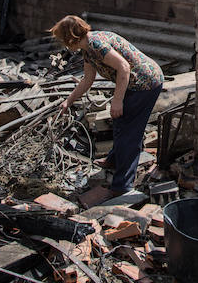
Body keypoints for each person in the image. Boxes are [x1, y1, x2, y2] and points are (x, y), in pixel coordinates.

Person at [51, 15, 163, 196]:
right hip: (133, 83)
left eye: (63, 40)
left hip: (146, 83)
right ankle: (114, 160)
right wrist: (68, 101)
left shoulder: (96, 45)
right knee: (119, 122)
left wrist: (117, 100)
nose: (63, 45)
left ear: (70, 38)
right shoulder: (87, 49)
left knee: (129, 132)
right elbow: (87, 80)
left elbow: (124, 67)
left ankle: (123, 185)